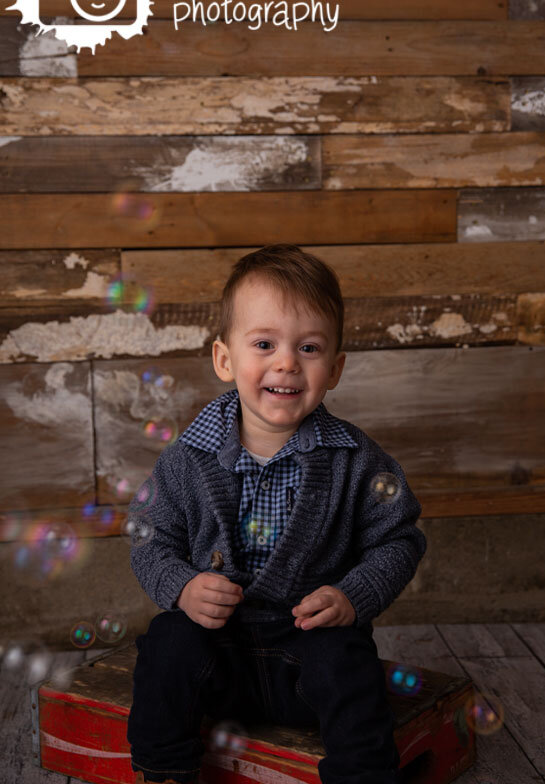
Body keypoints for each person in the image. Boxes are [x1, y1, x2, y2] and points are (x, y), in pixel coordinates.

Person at [127, 244, 426, 784]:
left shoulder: (356, 460)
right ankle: (165, 771)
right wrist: (183, 586)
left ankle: (363, 777)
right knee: (168, 641)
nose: (287, 362)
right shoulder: (187, 458)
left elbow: (399, 539)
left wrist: (352, 596)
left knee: (347, 661)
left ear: (333, 368)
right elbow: (149, 535)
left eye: (308, 347)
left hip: (304, 658)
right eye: (264, 343)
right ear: (225, 359)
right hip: (217, 660)